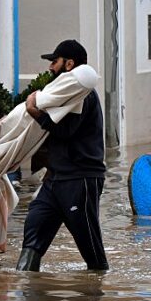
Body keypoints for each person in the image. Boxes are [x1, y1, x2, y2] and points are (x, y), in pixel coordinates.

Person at [16, 40, 108, 272]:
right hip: (54, 179)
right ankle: (27, 293)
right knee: (33, 230)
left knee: (91, 249)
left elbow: (65, 131)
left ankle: (95, 294)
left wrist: (35, 112)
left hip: (80, 180)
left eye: (54, 62)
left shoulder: (82, 95)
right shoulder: (61, 96)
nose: (50, 68)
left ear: (69, 64)